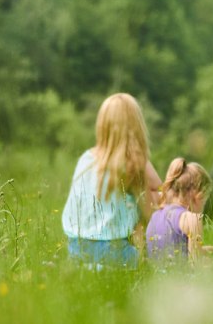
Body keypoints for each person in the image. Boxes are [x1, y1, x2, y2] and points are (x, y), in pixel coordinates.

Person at [62, 93, 162, 269]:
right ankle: (151, 256)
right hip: (114, 253)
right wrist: (142, 159)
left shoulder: (86, 158)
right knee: (158, 198)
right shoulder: (130, 164)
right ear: (137, 126)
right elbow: (153, 212)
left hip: (76, 248)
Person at [146, 158, 213, 260]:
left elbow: (174, 248)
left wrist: (209, 250)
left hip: (158, 275)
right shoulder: (192, 219)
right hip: (182, 275)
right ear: (199, 196)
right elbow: (197, 265)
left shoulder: (155, 215)